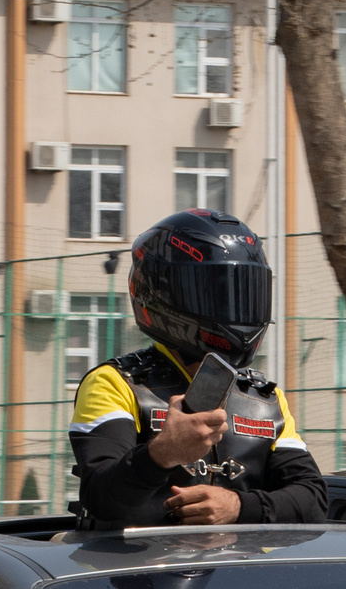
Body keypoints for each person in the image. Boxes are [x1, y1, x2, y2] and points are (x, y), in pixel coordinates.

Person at [68, 208, 330, 530]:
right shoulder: (114, 383)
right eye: (219, 293)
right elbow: (100, 496)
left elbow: (313, 500)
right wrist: (161, 454)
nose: (236, 310)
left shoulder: (265, 399)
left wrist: (237, 507)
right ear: (164, 295)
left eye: (244, 294)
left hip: (240, 576)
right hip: (136, 575)